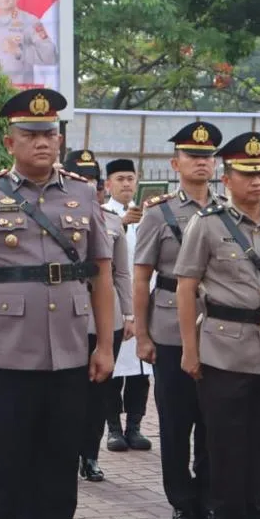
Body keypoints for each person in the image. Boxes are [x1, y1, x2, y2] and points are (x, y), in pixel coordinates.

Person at [0, 88, 115, 519]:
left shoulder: (82, 194)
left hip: (69, 352)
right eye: (30, 134)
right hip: (8, 355)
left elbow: (101, 273)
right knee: (9, 467)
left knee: (61, 468)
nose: (42, 142)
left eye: (50, 133)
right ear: (10, 143)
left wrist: (104, 345)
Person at [175, 131, 260, 519]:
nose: (257, 181)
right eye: (246, 174)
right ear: (226, 179)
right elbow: (186, 286)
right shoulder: (208, 224)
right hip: (222, 350)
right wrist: (189, 351)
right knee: (226, 448)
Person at [133, 121, 224, 519]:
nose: (201, 162)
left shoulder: (228, 211)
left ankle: (208, 498)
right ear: (176, 163)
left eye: (207, 156)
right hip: (170, 327)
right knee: (175, 422)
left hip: (220, 329)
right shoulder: (159, 213)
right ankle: (182, 502)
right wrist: (143, 334)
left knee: (213, 421)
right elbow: (141, 276)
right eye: (193, 156)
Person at [66, 149, 133, 483]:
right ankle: (63, 454)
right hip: (65, 320)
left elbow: (120, 273)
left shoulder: (111, 220)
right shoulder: (51, 216)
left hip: (105, 320)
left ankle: (89, 455)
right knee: (65, 393)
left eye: (93, 180)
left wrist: (130, 313)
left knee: (98, 392)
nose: (89, 187)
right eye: (81, 179)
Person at [101, 158, 153, 452]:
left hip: (144, 305)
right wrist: (121, 223)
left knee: (142, 372)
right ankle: (113, 428)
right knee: (114, 370)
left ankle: (135, 426)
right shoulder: (103, 215)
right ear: (108, 184)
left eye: (130, 179)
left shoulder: (148, 216)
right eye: (119, 179)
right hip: (116, 304)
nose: (125, 184)